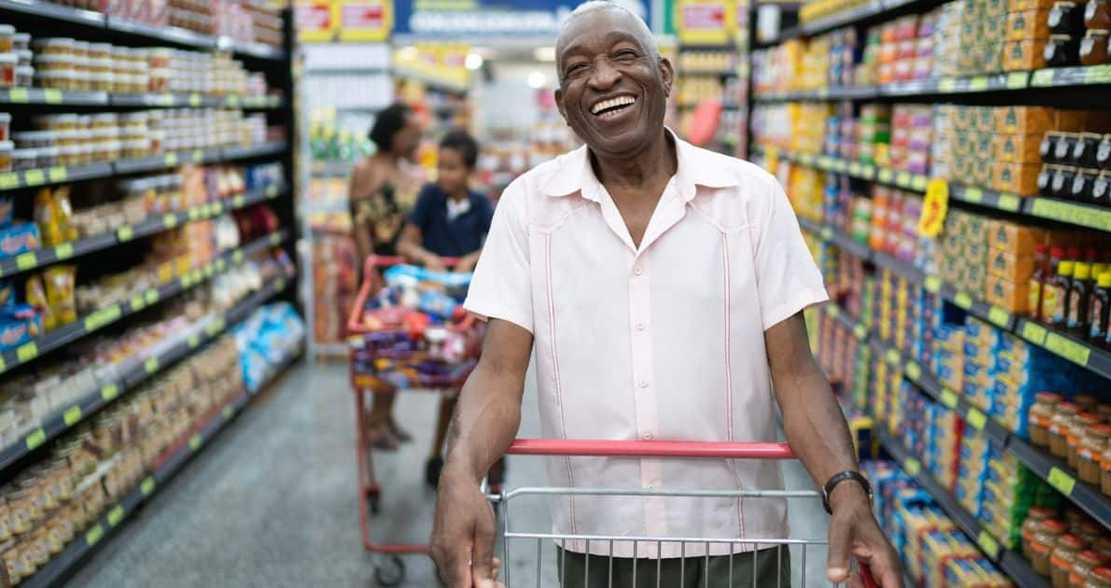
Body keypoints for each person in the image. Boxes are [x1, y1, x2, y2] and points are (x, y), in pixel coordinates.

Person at [429, 2, 905, 587]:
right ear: (563, 105)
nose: (603, 77)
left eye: (624, 55)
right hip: (597, 542)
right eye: (578, 68)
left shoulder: (749, 199)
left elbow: (796, 375)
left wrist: (847, 488)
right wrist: (459, 474)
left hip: (741, 540)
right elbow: (499, 375)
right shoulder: (528, 208)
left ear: (666, 75)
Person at [397, 130, 494, 487]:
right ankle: (439, 456)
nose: (444, 175)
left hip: (469, 309)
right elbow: (405, 243)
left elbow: (498, 244)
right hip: (435, 308)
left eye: (452, 168)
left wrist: (472, 257)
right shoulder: (429, 198)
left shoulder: (482, 205)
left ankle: (475, 463)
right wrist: (428, 259)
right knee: (451, 389)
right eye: (441, 167)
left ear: (469, 170)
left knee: (469, 390)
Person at [350, 102, 425, 450]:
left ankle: (386, 417)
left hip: (404, 274)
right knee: (382, 351)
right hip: (379, 274)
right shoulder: (367, 169)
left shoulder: (408, 169)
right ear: (391, 133)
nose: (416, 138)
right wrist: (371, 275)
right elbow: (360, 223)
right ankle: (374, 423)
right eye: (409, 132)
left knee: (399, 349)